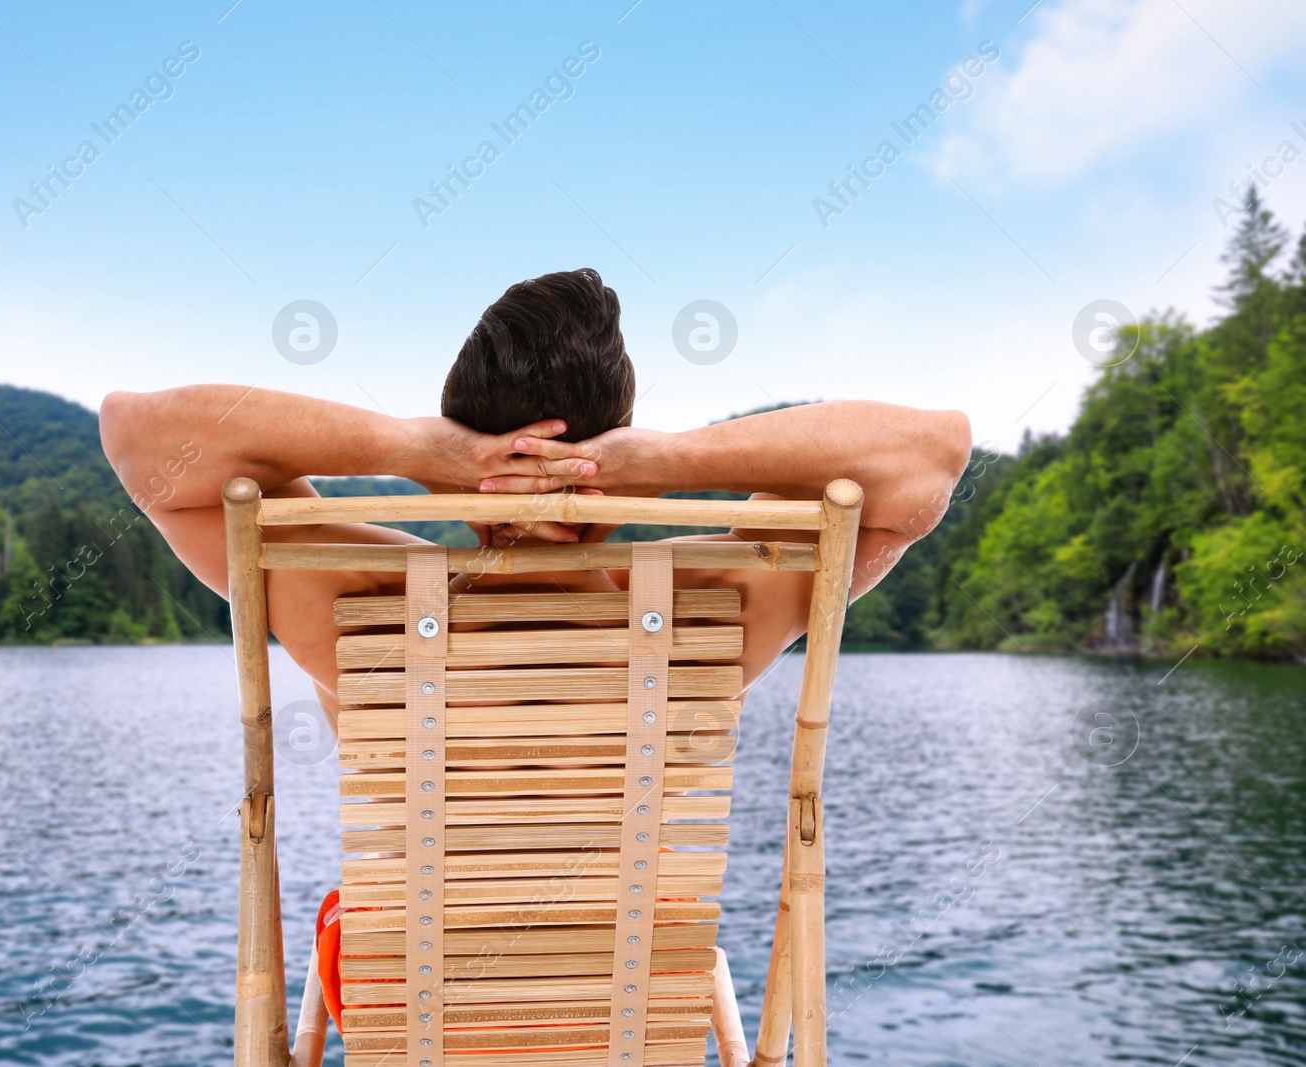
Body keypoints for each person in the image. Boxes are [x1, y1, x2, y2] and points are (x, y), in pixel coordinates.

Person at [98, 266, 971, 1028]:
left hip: (415, 1023)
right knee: (680, 944)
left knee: (350, 919)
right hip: (631, 1021)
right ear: (619, 446)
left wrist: (410, 449)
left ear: (462, 451)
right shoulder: (712, 605)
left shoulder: (365, 597)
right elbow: (930, 459)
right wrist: (668, 460)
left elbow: (135, 436)